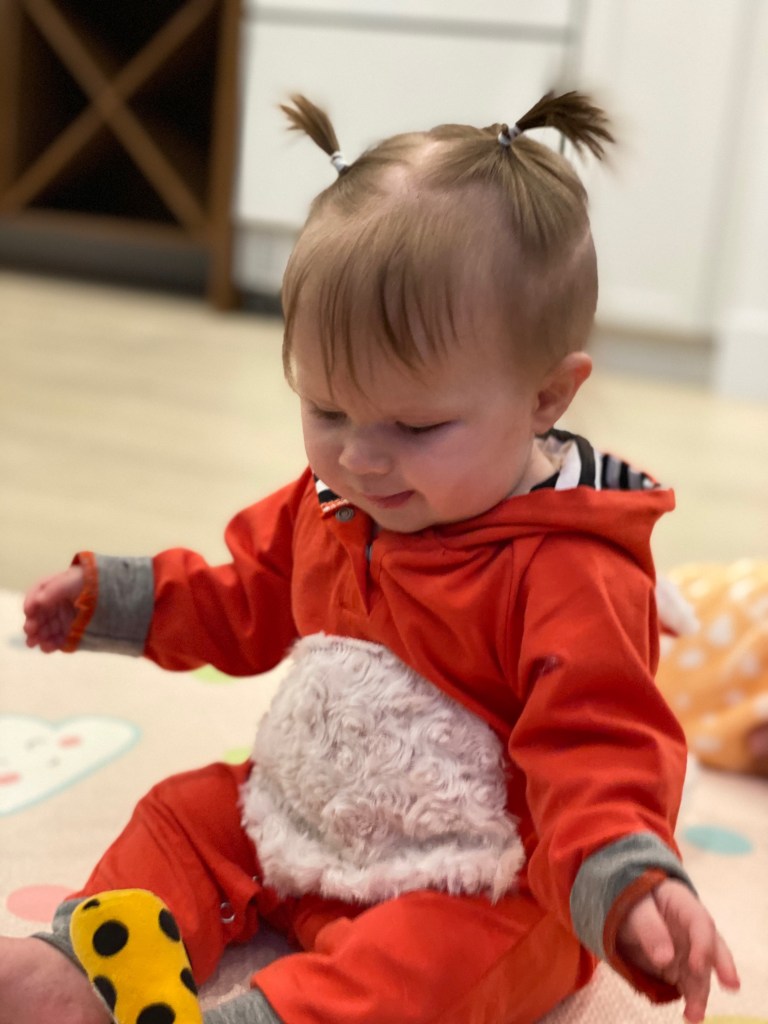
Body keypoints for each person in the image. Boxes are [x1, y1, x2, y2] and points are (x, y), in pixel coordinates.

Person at [6, 91, 740, 1024]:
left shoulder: (571, 569)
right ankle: (84, 966)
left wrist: (628, 883)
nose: (360, 456)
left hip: (479, 874)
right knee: (185, 817)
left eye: (417, 426)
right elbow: (245, 594)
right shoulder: (336, 501)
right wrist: (118, 597)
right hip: (300, 816)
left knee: (436, 966)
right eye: (327, 409)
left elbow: (598, 744)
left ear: (547, 397)